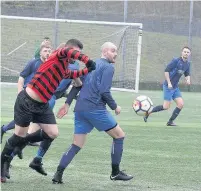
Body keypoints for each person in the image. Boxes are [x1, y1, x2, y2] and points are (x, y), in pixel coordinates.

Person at [1, 39, 96, 183]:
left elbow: (73, 74)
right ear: (67, 49)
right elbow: (68, 51)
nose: (76, 55)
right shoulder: (58, 54)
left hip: (42, 105)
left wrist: (89, 69)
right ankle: (2, 164)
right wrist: (87, 60)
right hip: (27, 101)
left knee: (52, 133)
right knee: (18, 135)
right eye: (76, 52)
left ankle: (24, 144)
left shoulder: (63, 67)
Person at [52, 42, 133, 184]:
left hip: (80, 109)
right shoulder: (108, 67)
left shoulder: (91, 64)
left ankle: (58, 174)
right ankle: (115, 173)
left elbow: (77, 85)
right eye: (113, 51)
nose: (115, 54)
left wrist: (67, 104)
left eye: (116, 51)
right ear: (105, 51)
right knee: (119, 136)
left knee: (76, 144)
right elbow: (104, 91)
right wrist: (115, 106)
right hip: (95, 109)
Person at [1, 45, 51, 144]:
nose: (47, 53)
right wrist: (20, 93)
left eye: (49, 51)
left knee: (28, 118)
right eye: (45, 51)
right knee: (25, 118)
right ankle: (18, 139)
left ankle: (6, 131)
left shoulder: (50, 65)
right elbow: (22, 76)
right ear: (40, 53)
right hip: (27, 94)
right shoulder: (33, 63)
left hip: (39, 97)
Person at [144, 46, 191, 126]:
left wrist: (188, 79)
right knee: (166, 107)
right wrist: (169, 83)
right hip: (168, 87)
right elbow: (166, 71)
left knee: (181, 104)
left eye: (187, 52)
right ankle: (148, 112)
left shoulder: (187, 64)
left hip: (175, 87)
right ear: (182, 52)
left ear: (189, 54)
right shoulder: (176, 61)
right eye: (184, 51)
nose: (186, 53)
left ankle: (170, 122)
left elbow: (187, 73)